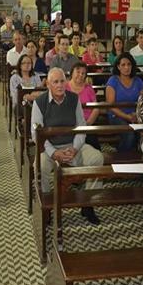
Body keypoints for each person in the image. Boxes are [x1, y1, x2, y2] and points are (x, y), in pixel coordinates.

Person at [31, 67, 104, 224]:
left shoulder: (73, 98)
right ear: (48, 84)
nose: (59, 85)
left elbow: (81, 126)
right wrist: (54, 153)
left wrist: (75, 148)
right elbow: (36, 134)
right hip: (49, 147)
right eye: (55, 82)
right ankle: (47, 205)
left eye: (62, 81)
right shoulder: (40, 103)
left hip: (72, 145)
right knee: (40, 165)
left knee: (97, 158)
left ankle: (88, 204)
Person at [105, 53, 143, 152]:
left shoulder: (138, 81)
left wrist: (136, 114)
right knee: (129, 134)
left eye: (129, 64)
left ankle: (136, 159)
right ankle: (120, 158)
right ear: (118, 67)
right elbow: (111, 106)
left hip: (135, 115)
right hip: (116, 115)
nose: (126, 67)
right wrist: (127, 117)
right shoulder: (113, 81)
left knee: (142, 132)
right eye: (123, 65)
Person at [67, 61, 101, 150]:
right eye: (78, 72)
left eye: (83, 73)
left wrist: (87, 123)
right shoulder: (64, 87)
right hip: (69, 124)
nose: (80, 75)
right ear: (72, 72)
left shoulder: (89, 88)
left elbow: (96, 108)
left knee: (93, 145)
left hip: (87, 123)